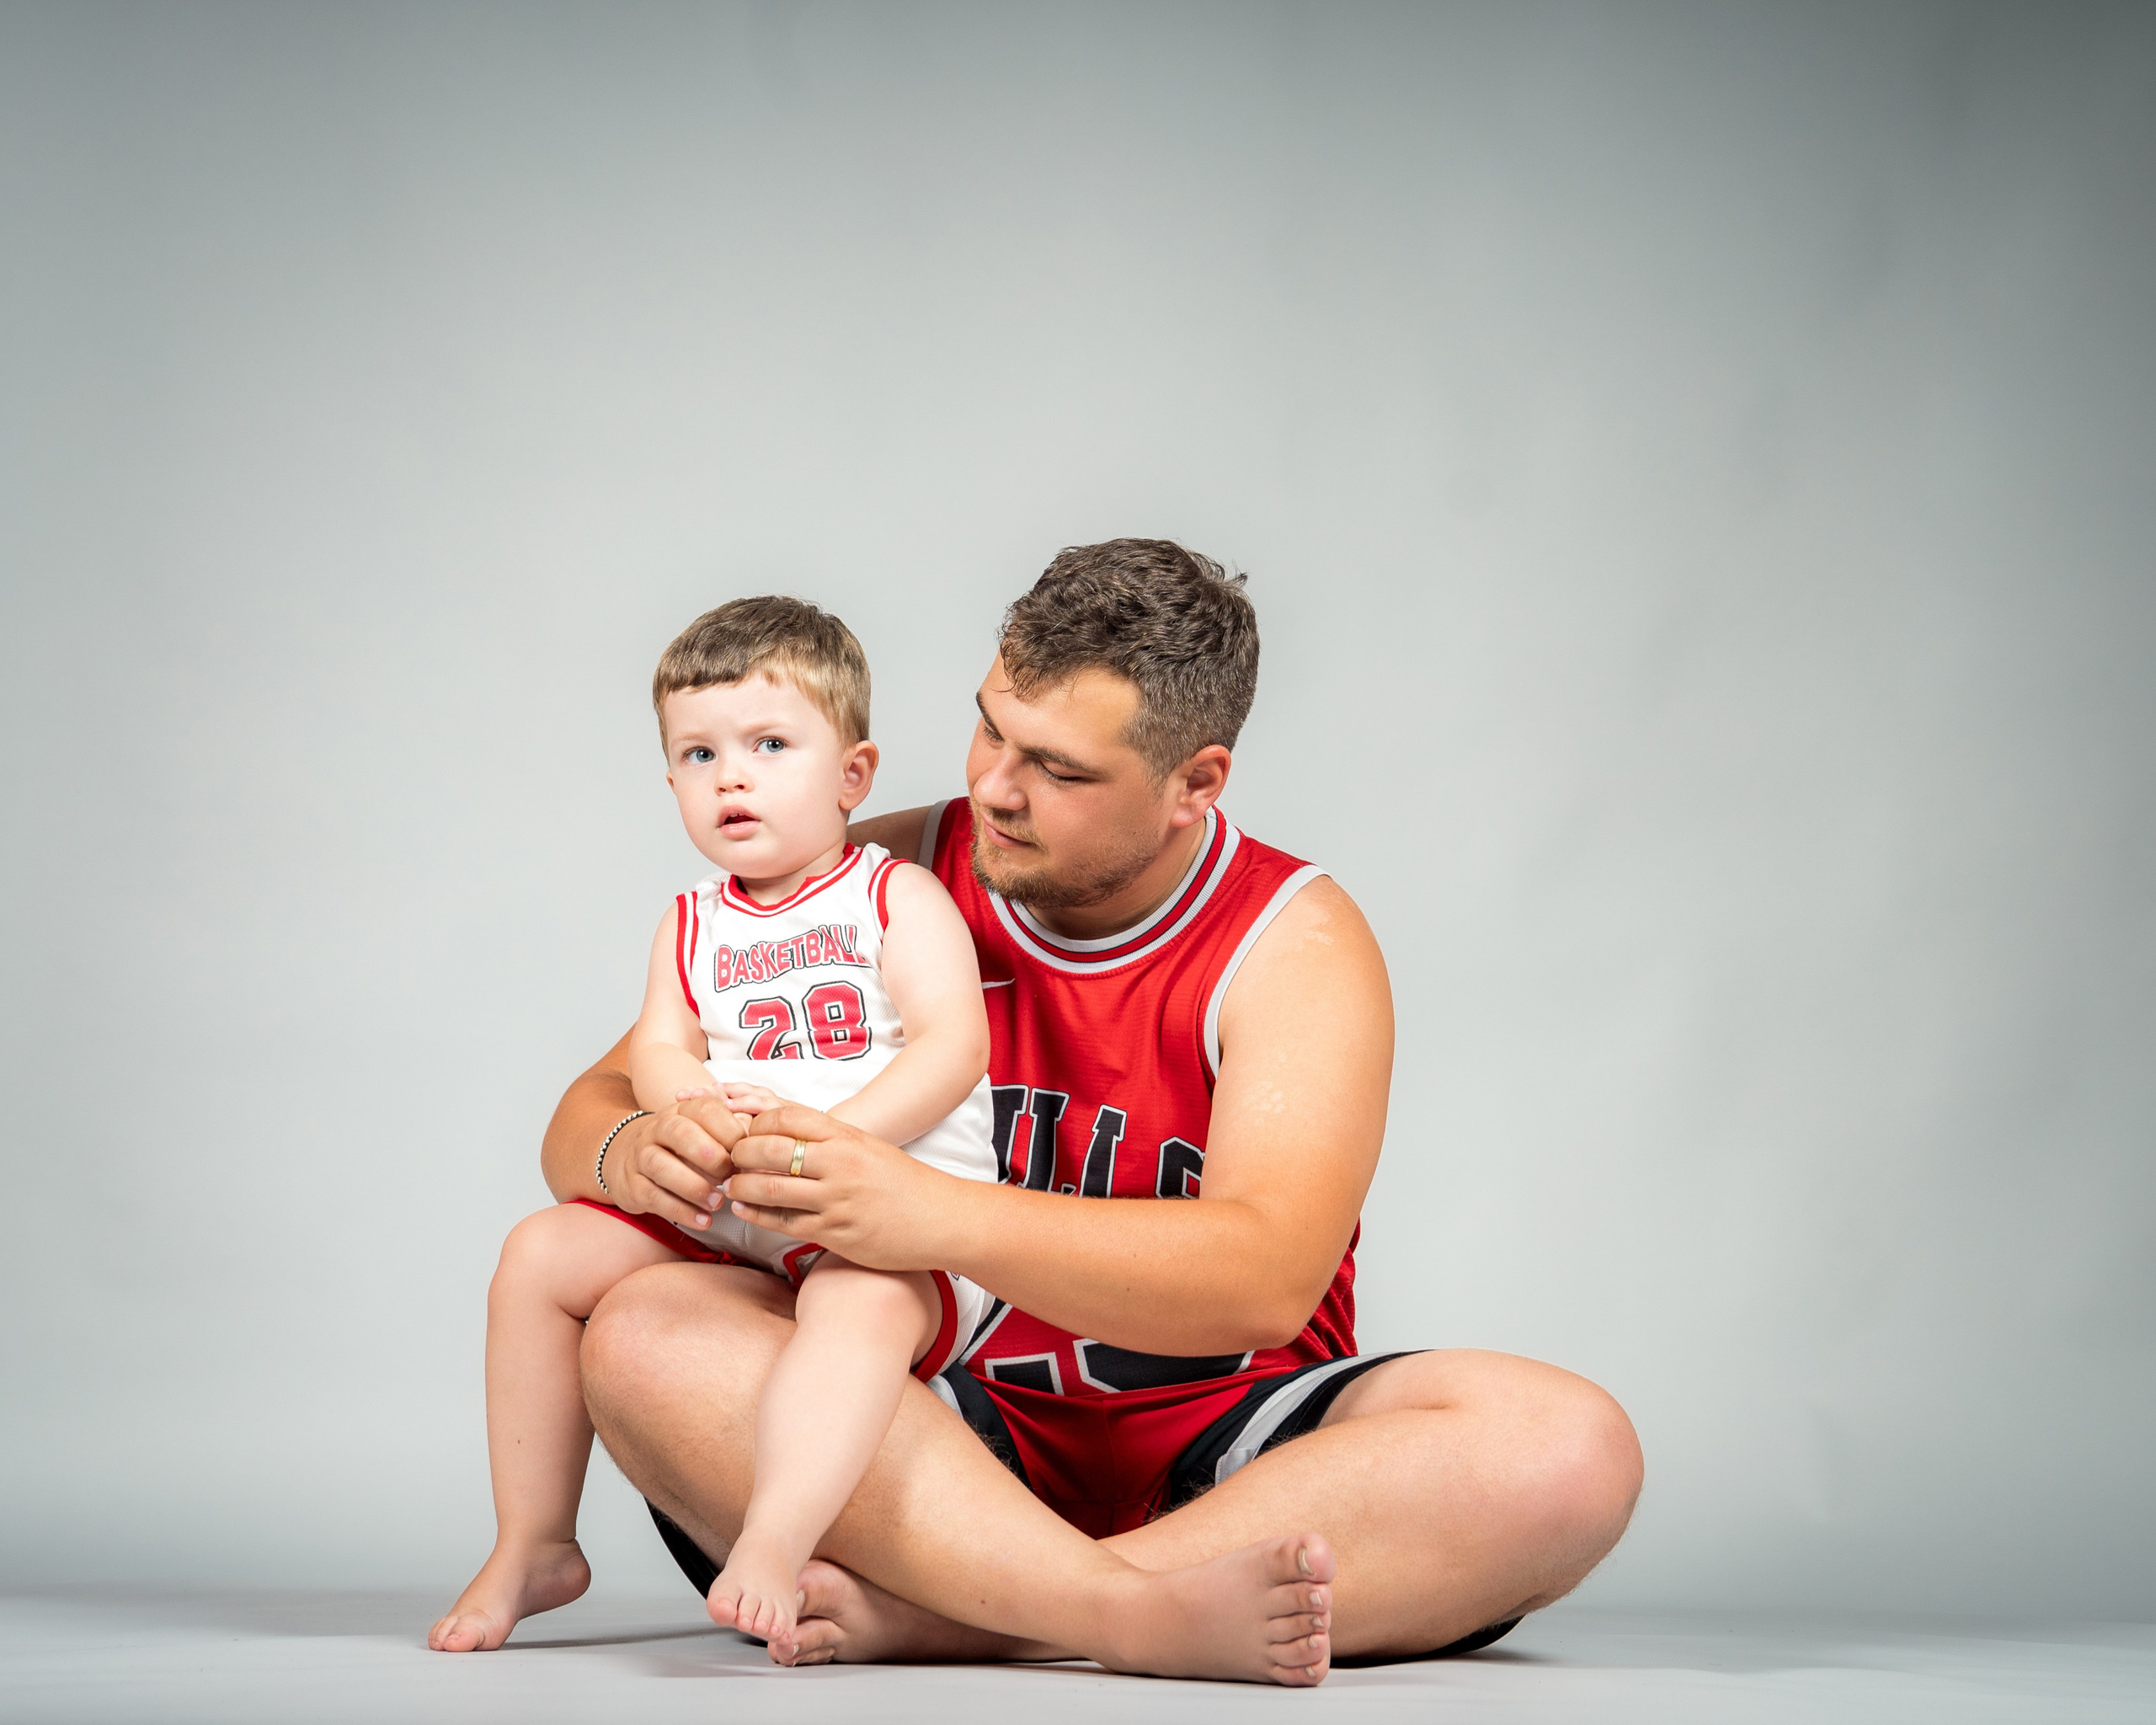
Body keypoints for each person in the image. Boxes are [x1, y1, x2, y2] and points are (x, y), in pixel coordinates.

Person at [547, 541, 1646, 1685]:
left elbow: (1266, 1278)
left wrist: (931, 1214)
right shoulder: (881, 876)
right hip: (921, 1426)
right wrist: (634, 1152)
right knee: (644, 1332)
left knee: (1566, 1450)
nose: (993, 787)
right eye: (991, 729)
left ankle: (978, 1618)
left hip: (1224, 1443)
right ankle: (1122, 1613)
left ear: (1195, 784)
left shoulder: (1292, 941)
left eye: (1060, 771)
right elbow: (587, 1113)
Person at [432, 596, 1009, 1653]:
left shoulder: (896, 895)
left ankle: (776, 1537)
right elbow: (660, 1047)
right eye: (698, 754)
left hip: (883, 1216)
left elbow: (951, 1046)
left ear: (853, 774)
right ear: (670, 783)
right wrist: (683, 1113)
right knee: (541, 1251)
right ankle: (535, 1539)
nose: (730, 777)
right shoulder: (693, 920)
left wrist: (838, 1142)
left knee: (858, 1306)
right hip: (745, 1207)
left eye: (769, 745)